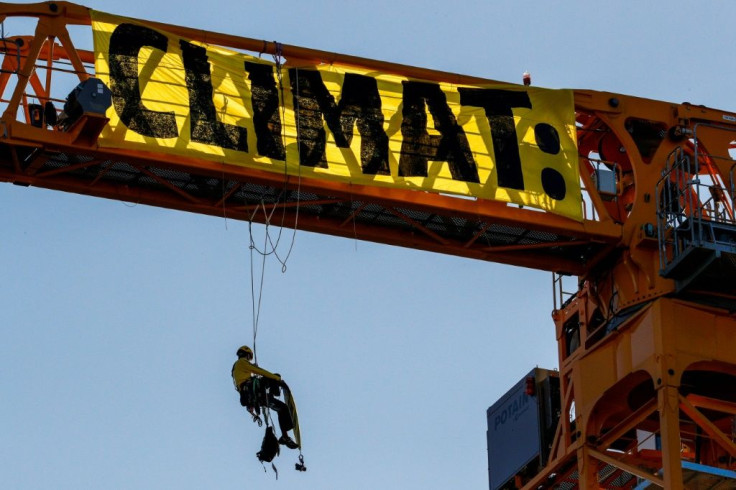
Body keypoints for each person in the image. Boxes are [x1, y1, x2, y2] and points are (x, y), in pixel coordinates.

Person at [232, 345, 298, 449]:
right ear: (248, 354)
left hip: (254, 398)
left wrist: (250, 405)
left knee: (282, 408)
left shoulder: (236, 369)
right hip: (254, 392)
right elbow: (261, 372)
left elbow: (242, 383)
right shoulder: (242, 363)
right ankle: (276, 390)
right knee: (274, 376)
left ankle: (285, 437)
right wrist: (278, 379)